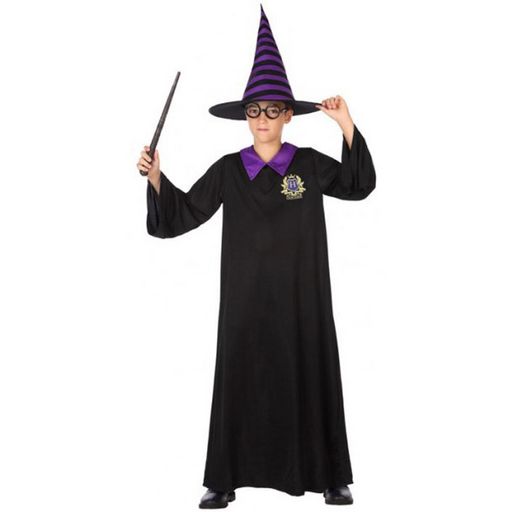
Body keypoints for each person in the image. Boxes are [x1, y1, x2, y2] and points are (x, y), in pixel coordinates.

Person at [136, 4, 376, 508]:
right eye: (254, 110)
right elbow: (182, 214)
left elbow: (358, 185)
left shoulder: (307, 165)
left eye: (272, 110)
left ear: (288, 115)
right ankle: (224, 479)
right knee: (239, 379)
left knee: (312, 372)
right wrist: (157, 176)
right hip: (245, 301)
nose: (262, 119)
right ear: (244, 116)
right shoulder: (229, 169)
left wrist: (345, 124)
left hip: (302, 299)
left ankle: (331, 475)